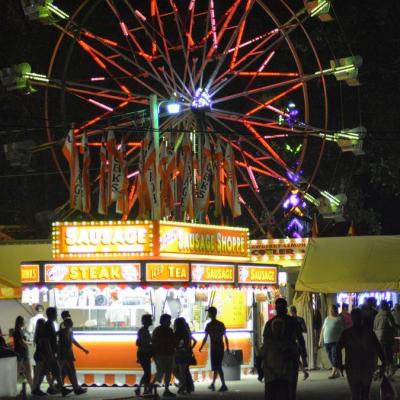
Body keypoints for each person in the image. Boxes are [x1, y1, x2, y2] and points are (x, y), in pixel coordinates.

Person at [337, 308, 386, 400]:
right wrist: (383, 362)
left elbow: (337, 348)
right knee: (365, 393)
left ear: (352, 318)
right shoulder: (369, 332)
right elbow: (378, 347)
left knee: (355, 392)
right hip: (366, 366)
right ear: (362, 318)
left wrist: (339, 363)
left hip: (353, 366)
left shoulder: (347, 333)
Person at [263, 298, 307, 400]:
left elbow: (265, 342)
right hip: (290, 357)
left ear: (276, 309)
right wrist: (304, 356)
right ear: (286, 308)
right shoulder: (293, 321)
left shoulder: (270, 323)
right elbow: (300, 339)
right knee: (290, 387)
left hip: (275, 359)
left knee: (273, 389)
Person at [41, 307, 72, 397]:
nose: (57, 315)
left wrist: (58, 332)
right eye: (55, 313)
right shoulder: (48, 325)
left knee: (55, 371)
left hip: (50, 352)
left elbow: (50, 337)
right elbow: (46, 340)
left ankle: (56, 388)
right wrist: (51, 353)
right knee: (54, 370)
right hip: (49, 353)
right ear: (52, 314)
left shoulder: (50, 324)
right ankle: (57, 389)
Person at [264, 318, 298, 400]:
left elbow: (293, 357)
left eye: (279, 328)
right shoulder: (269, 344)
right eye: (276, 328)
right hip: (273, 376)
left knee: (283, 395)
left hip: (283, 375)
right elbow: (261, 357)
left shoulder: (287, 344)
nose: (277, 331)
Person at [199, 306, 229, 392]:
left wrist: (201, 346)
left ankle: (223, 385)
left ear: (211, 314)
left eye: (209, 312)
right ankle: (213, 384)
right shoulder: (221, 324)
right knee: (217, 366)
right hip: (220, 346)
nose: (208, 314)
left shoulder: (209, 325)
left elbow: (205, 338)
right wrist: (227, 347)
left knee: (217, 366)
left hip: (215, 348)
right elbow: (225, 337)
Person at [57, 318, 87, 395]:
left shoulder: (69, 331)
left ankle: (76, 388)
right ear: (66, 324)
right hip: (63, 354)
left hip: (68, 354)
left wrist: (83, 349)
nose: (72, 323)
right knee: (59, 371)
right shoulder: (62, 332)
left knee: (70, 371)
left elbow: (74, 341)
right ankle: (55, 387)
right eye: (70, 322)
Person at [152, 314, 176, 398]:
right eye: (169, 320)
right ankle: (163, 389)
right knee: (164, 372)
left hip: (162, 354)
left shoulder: (157, 330)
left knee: (161, 372)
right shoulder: (168, 330)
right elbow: (173, 342)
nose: (170, 322)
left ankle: (153, 388)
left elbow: (154, 343)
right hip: (165, 354)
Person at [319, 304, 345, 379]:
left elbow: (343, 329)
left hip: (335, 341)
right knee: (330, 356)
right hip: (327, 341)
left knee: (334, 356)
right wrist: (320, 340)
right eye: (330, 310)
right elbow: (323, 329)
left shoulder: (339, 319)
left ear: (335, 310)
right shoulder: (327, 318)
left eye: (332, 309)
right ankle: (337, 371)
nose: (330, 311)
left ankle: (333, 372)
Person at [373, 300, 398, 376]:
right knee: (388, 353)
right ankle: (389, 371)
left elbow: (374, 327)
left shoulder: (377, 315)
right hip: (386, 337)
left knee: (381, 354)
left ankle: (382, 372)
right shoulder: (388, 314)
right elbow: (392, 325)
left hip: (378, 337)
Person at [174, 317, 197, 395]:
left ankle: (183, 386)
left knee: (179, 371)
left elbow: (177, 344)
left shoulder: (177, 333)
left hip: (179, 354)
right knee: (184, 371)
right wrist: (189, 349)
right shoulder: (187, 332)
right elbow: (190, 342)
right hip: (186, 354)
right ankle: (187, 386)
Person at [13, 316, 33, 392]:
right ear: (21, 322)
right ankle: (32, 388)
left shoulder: (20, 330)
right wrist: (29, 343)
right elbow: (22, 343)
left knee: (26, 372)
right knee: (19, 372)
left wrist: (27, 343)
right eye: (24, 321)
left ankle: (32, 388)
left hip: (22, 353)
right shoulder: (18, 331)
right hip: (21, 353)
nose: (24, 322)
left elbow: (23, 342)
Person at [289, 305, 309, 381]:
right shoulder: (299, 319)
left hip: (296, 341)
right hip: (298, 340)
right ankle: (304, 372)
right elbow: (305, 330)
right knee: (296, 358)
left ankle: (303, 372)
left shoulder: (294, 320)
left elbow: (304, 330)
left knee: (296, 358)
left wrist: (297, 329)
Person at [135, 314, 153, 396]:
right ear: (146, 321)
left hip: (143, 353)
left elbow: (139, 342)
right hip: (144, 353)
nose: (151, 321)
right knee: (147, 373)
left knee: (147, 372)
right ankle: (143, 389)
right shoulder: (143, 331)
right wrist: (151, 345)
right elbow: (142, 343)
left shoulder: (144, 330)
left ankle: (141, 388)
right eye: (150, 319)